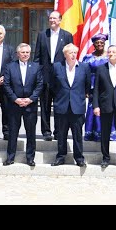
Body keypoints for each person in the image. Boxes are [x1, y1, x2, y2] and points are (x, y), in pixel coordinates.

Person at [33, 10, 73, 141]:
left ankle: (58, 131)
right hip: (45, 76)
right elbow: (37, 56)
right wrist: (36, 74)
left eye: (55, 18)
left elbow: (70, 56)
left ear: (60, 20)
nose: (52, 21)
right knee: (44, 104)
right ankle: (46, 131)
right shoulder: (42, 35)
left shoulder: (67, 36)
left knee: (59, 105)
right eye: (50, 18)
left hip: (60, 76)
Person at [3, 43, 43, 166]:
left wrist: (31, 99)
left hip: (30, 105)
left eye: (27, 52)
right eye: (23, 52)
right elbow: (6, 85)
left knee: (31, 133)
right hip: (14, 105)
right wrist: (15, 99)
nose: (25, 54)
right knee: (13, 132)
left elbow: (39, 85)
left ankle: (30, 158)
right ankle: (10, 157)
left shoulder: (36, 67)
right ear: (17, 53)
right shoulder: (10, 67)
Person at [50, 43, 90, 167]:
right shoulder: (57, 67)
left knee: (77, 134)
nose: (73, 55)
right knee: (61, 134)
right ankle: (61, 157)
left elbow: (87, 86)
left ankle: (79, 158)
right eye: (70, 53)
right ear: (65, 54)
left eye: (74, 52)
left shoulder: (84, 67)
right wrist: (60, 97)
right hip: (61, 106)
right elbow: (52, 85)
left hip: (77, 107)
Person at [82, 33, 116, 141]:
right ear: (93, 44)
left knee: (108, 108)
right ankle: (93, 133)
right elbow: (84, 74)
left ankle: (109, 133)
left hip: (107, 87)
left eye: (102, 42)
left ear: (105, 43)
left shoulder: (109, 57)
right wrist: (85, 89)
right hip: (92, 87)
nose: (99, 44)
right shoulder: (87, 58)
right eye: (97, 43)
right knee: (93, 109)